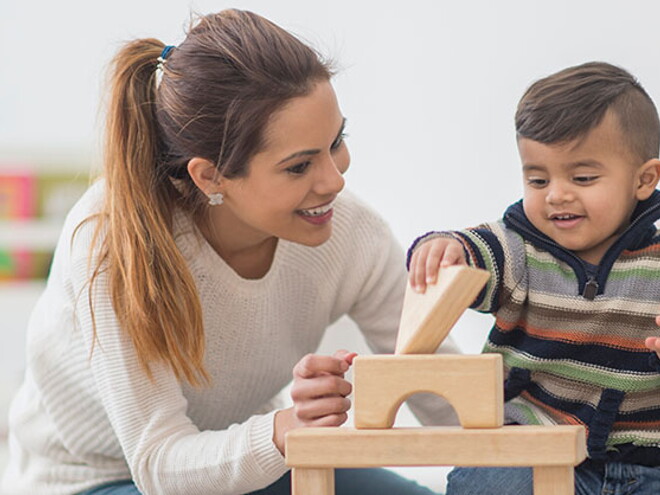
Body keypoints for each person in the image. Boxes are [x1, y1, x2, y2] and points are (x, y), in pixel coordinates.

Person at [1, 9, 458, 495]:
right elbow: (157, 463)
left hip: (237, 464)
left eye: (336, 142)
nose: (335, 180)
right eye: (299, 166)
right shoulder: (112, 242)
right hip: (97, 479)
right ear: (210, 176)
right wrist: (284, 431)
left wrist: (532, 428)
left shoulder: (351, 232)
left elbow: (441, 393)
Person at [408, 61, 660, 494]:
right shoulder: (519, 251)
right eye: (537, 178)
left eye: (583, 177)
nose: (556, 194)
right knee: (490, 481)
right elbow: (476, 252)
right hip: (529, 449)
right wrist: (447, 248)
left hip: (647, 463)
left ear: (644, 179)